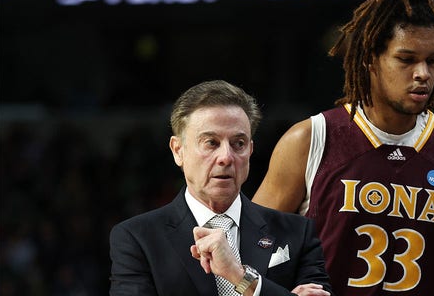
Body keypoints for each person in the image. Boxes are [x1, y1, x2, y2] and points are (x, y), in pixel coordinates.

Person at [252, 0, 434, 296]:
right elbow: (248, 259)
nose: (423, 73)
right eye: (406, 60)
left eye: (433, 60)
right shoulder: (310, 140)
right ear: (370, 60)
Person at [109, 80, 333, 296]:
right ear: (178, 150)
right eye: (211, 143)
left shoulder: (297, 232)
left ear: (251, 151)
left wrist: (239, 277)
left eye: (238, 144)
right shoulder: (138, 238)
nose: (226, 157)